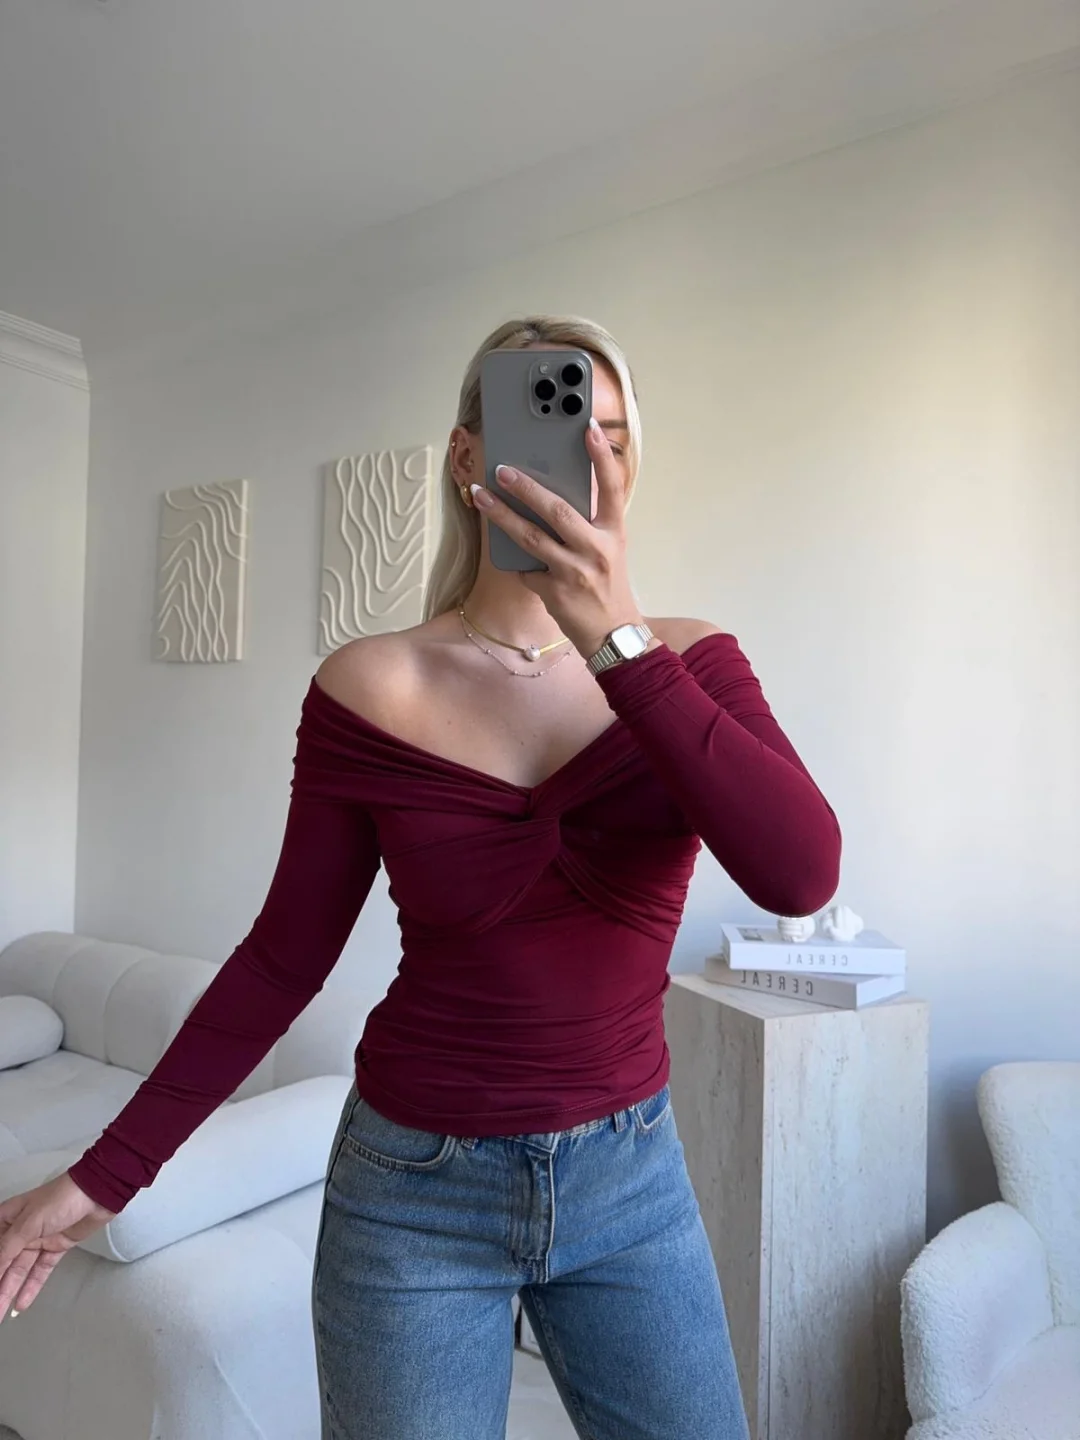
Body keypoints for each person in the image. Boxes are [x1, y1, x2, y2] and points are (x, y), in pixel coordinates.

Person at [0, 315, 841, 1439]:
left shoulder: (688, 659)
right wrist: (106, 1176)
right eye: (558, 429)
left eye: (612, 437)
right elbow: (282, 959)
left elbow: (800, 872)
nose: (587, 462)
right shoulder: (370, 685)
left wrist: (619, 640)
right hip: (411, 1194)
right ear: (466, 456)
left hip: (630, 1178)